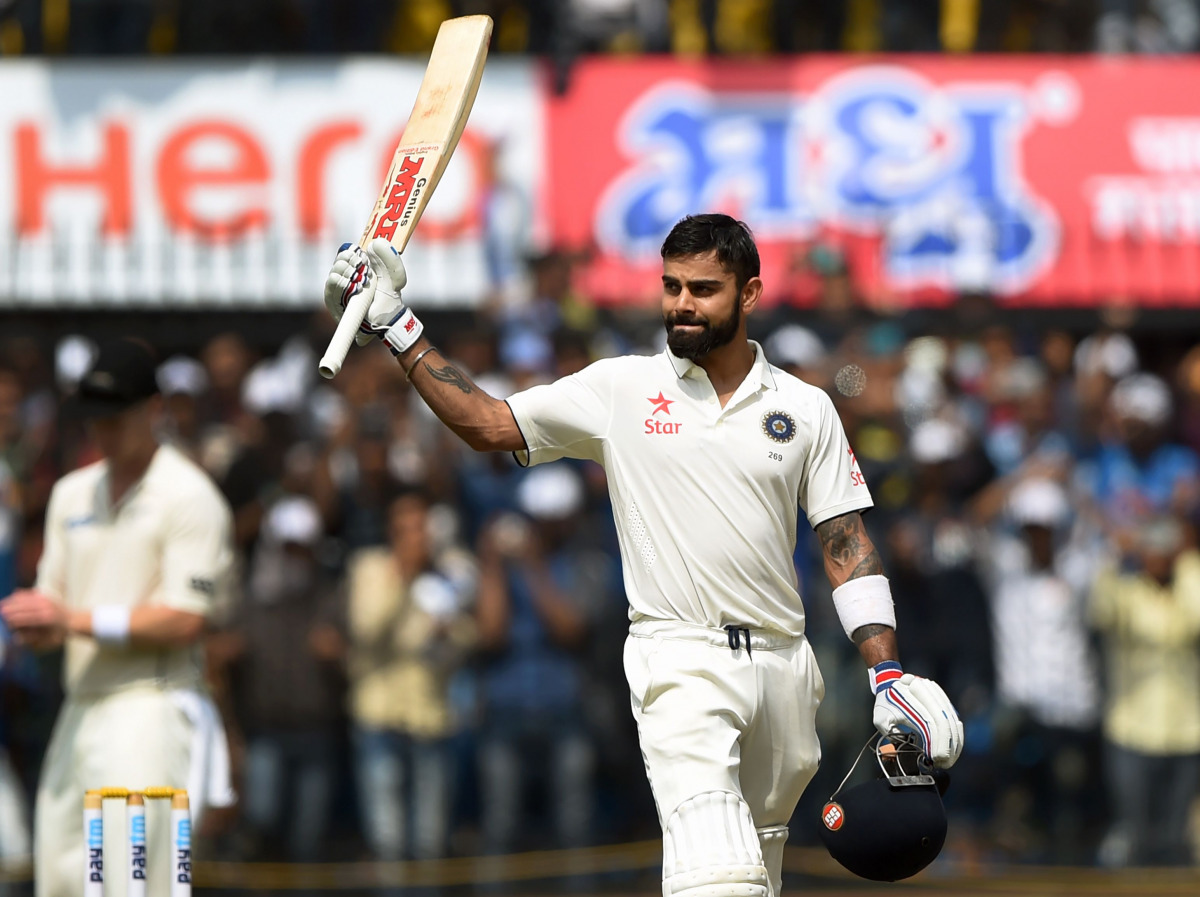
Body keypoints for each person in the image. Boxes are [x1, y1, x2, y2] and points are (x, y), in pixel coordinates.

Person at [323, 214, 963, 897]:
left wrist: (886, 673)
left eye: (703, 289)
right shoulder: (620, 388)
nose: (682, 303)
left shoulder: (806, 408)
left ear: (749, 294)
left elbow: (845, 541)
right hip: (681, 658)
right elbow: (488, 422)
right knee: (718, 877)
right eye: (671, 285)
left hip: (785, 666)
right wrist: (400, 328)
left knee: (760, 871)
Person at [0, 339, 235, 897]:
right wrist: (34, 624)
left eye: (116, 417)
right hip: (80, 708)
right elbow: (55, 608)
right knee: (59, 879)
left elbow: (185, 618)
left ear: (154, 409)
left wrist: (72, 621)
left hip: (152, 707)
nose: (103, 431)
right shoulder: (70, 494)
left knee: (138, 884)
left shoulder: (189, 496)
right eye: (95, 418)